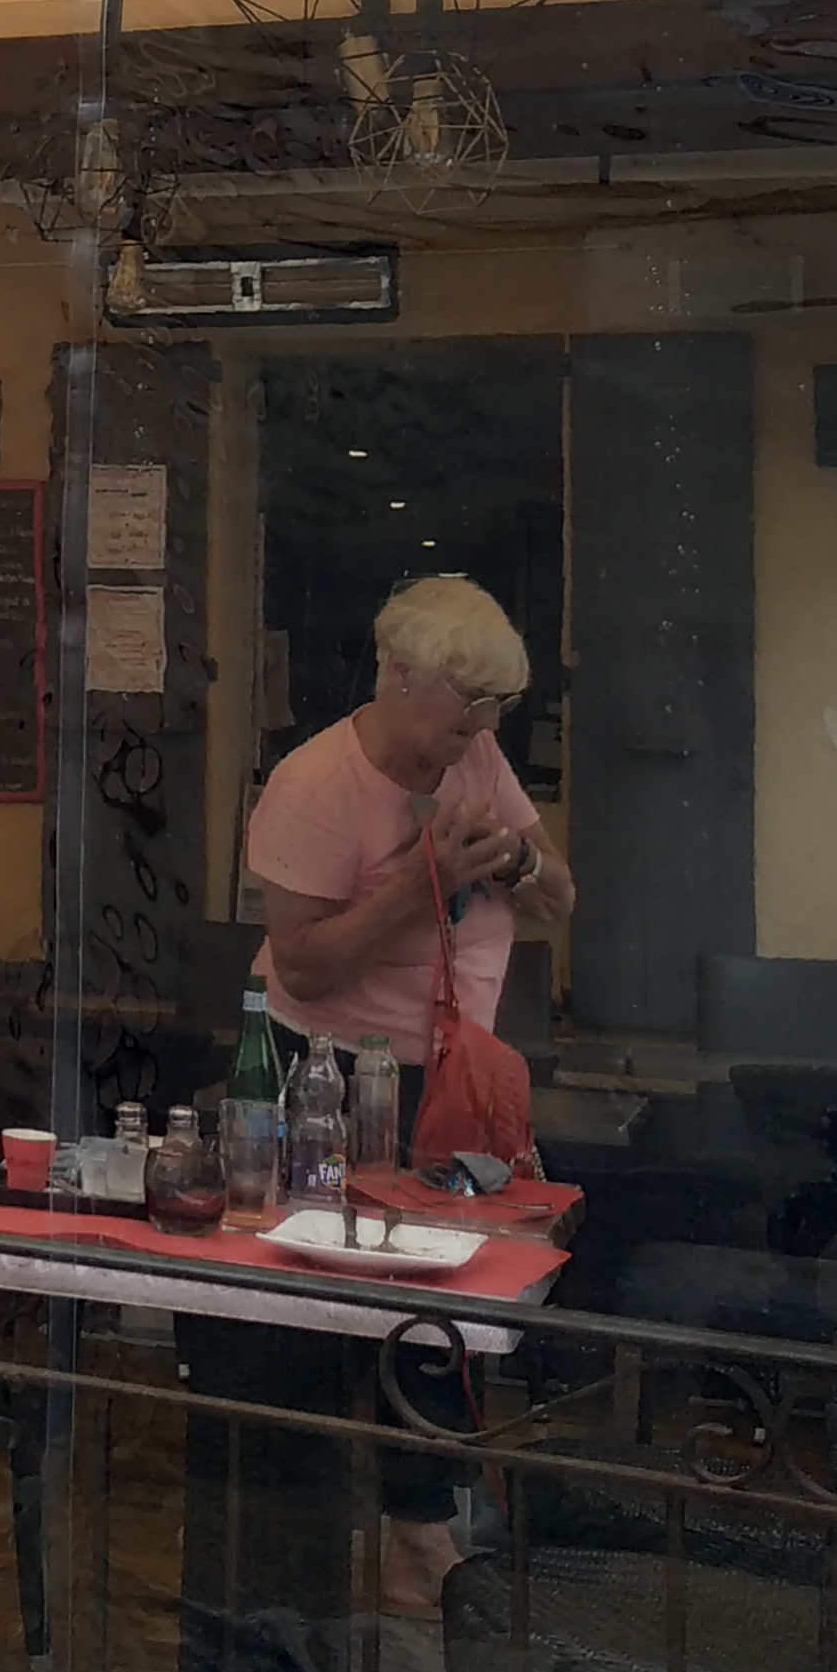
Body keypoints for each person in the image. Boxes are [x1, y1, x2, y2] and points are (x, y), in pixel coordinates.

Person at [242, 571, 576, 1614]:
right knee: (341, 1307)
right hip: (328, 1076)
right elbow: (303, 968)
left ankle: (418, 1528)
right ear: (396, 674)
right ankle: (362, 1536)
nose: (481, 730)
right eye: (467, 705)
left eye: (497, 709)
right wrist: (419, 882)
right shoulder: (312, 785)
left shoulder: (474, 756)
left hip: (453, 1070)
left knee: (444, 1299)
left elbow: (561, 897)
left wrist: (511, 858)